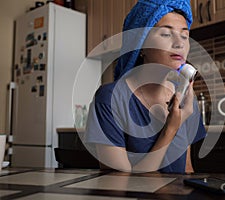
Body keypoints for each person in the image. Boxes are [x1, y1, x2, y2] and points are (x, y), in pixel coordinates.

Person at [84, 0, 206, 174]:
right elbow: (119, 184)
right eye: (166, 34)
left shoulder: (186, 100)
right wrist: (171, 129)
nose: (179, 43)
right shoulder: (109, 99)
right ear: (140, 45)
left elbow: (187, 169)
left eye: (185, 36)